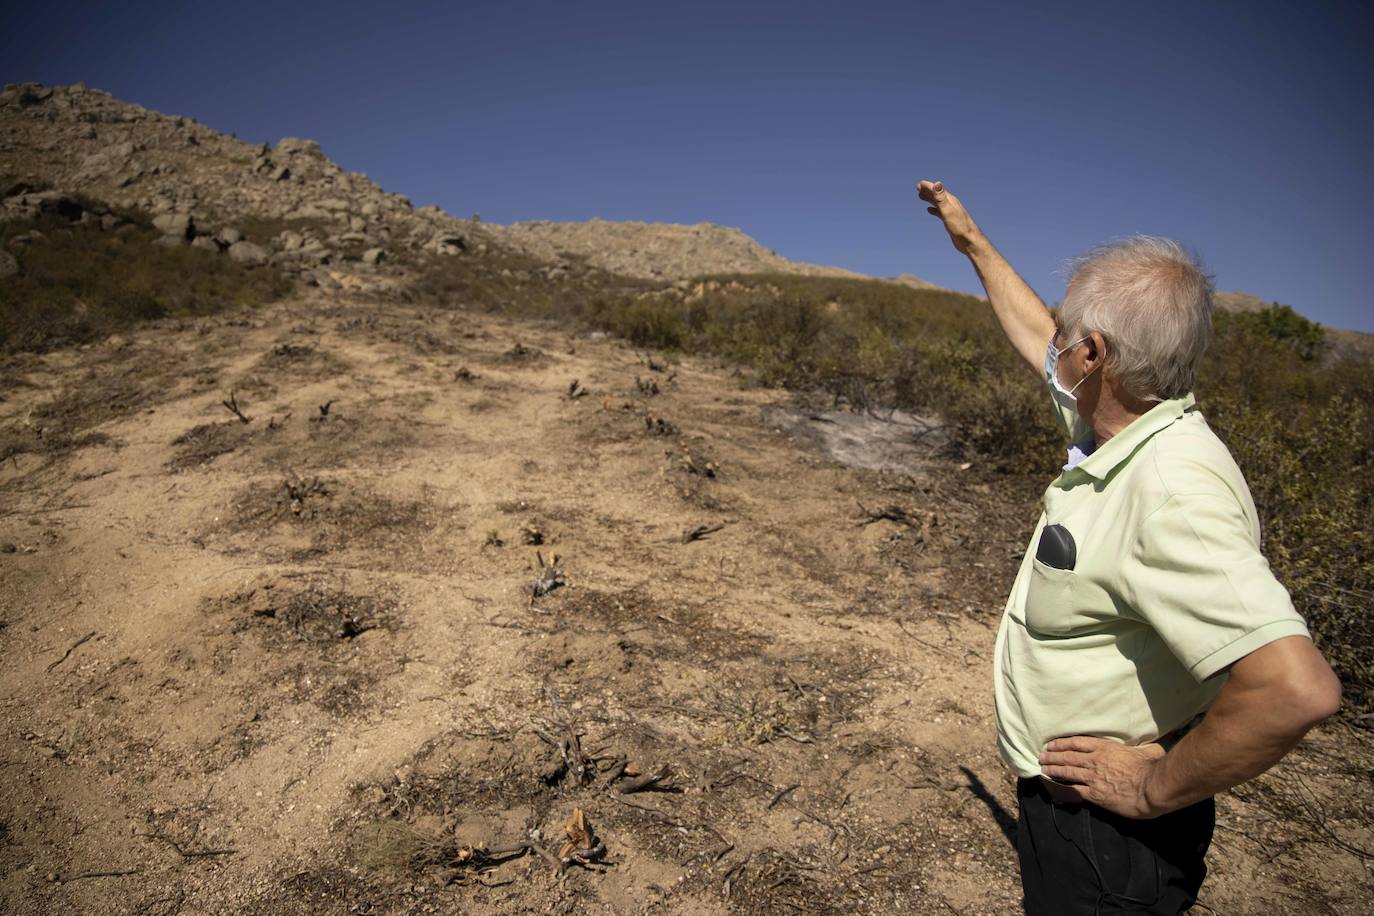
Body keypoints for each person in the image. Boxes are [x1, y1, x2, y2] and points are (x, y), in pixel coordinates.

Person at [916, 179, 1342, 914]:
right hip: (1073, 812)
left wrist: (1152, 787)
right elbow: (1033, 334)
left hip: (1112, 841)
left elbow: (1295, 688)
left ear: (1096, 355)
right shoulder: (1121, 427)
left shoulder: (1170, 490)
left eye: (1068, 336)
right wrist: (972, 243)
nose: (1054, 344)